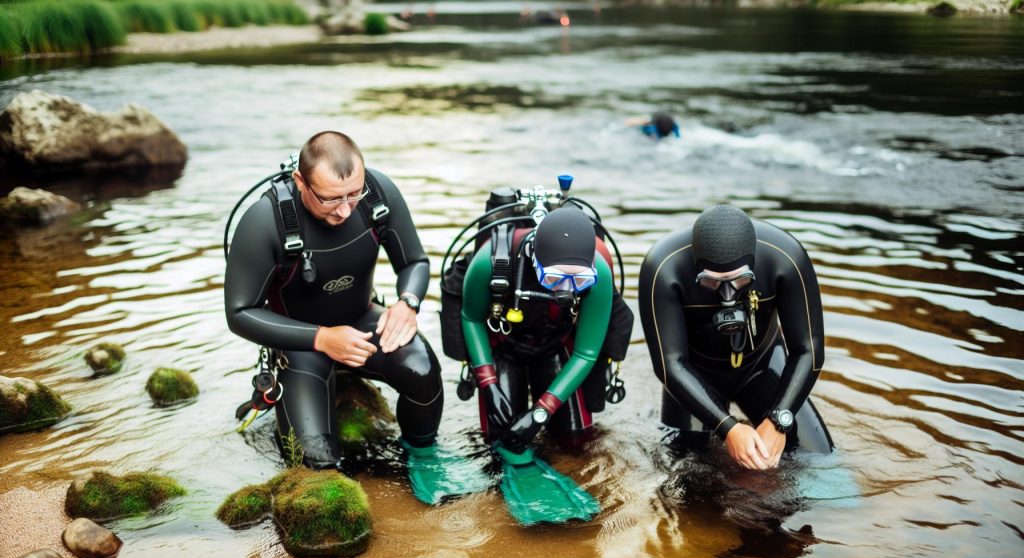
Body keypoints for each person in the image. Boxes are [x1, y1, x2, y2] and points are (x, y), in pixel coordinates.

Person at [224, 131, 483, 503]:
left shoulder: (377, 193)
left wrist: (407, 302)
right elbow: (239, 313)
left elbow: (414, 262)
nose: (345, 210)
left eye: (353, 195)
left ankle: (423, 456)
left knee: (423, 369)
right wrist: (321, 338)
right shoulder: (265, 221)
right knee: (315, 462)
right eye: (331, 199)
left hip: (361, 320)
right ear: (301, 182)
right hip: (298, 342)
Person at [638, 204, 833, 471]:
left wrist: (779, 420)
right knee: (686, 475)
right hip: (693, 376)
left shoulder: (785, 257)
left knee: (819, 464)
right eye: (712, 282)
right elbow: (670, 364)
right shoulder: (663, 266)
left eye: (740, 281)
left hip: (761, 366)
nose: (727, 294)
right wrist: (728, 428)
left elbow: (808, 349)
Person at [460, 207, 622, 454]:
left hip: (556, 345)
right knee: (499, 443)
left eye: (579, 280)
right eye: (554, 278)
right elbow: (471, 319)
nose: (566, 290)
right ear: (535, 258)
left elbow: (587, 353)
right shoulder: (488, 263)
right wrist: (489, 383)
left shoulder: (599, 272)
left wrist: (540, 412)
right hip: (503, 347)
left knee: (576, 442)